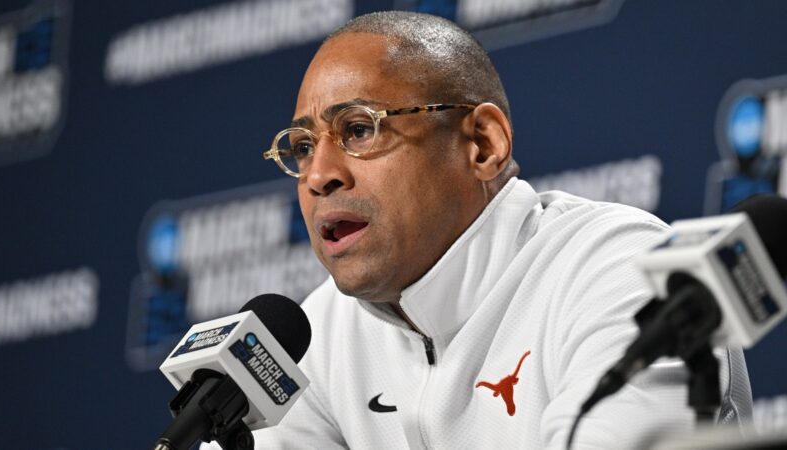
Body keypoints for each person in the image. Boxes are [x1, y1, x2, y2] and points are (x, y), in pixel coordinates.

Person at [209, 10, 752, 449]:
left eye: (358, 129)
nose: (320, 175)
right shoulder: (319, 335)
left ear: (483, 145)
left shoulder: (617, 270)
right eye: (303, 148)